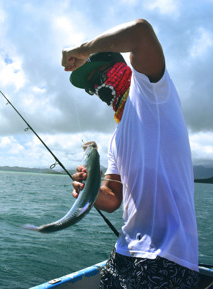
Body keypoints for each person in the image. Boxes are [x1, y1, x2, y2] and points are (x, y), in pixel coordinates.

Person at [62, 19, 199, 288]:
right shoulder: (116, 138)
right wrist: (89, 187)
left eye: (99, 77)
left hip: (168, 257)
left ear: (122, 69)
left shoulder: (152, 92)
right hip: (124, 252)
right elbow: (112, 199)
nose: (97, 90)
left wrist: (83, 49)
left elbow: (140, 32)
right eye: (92, 87)